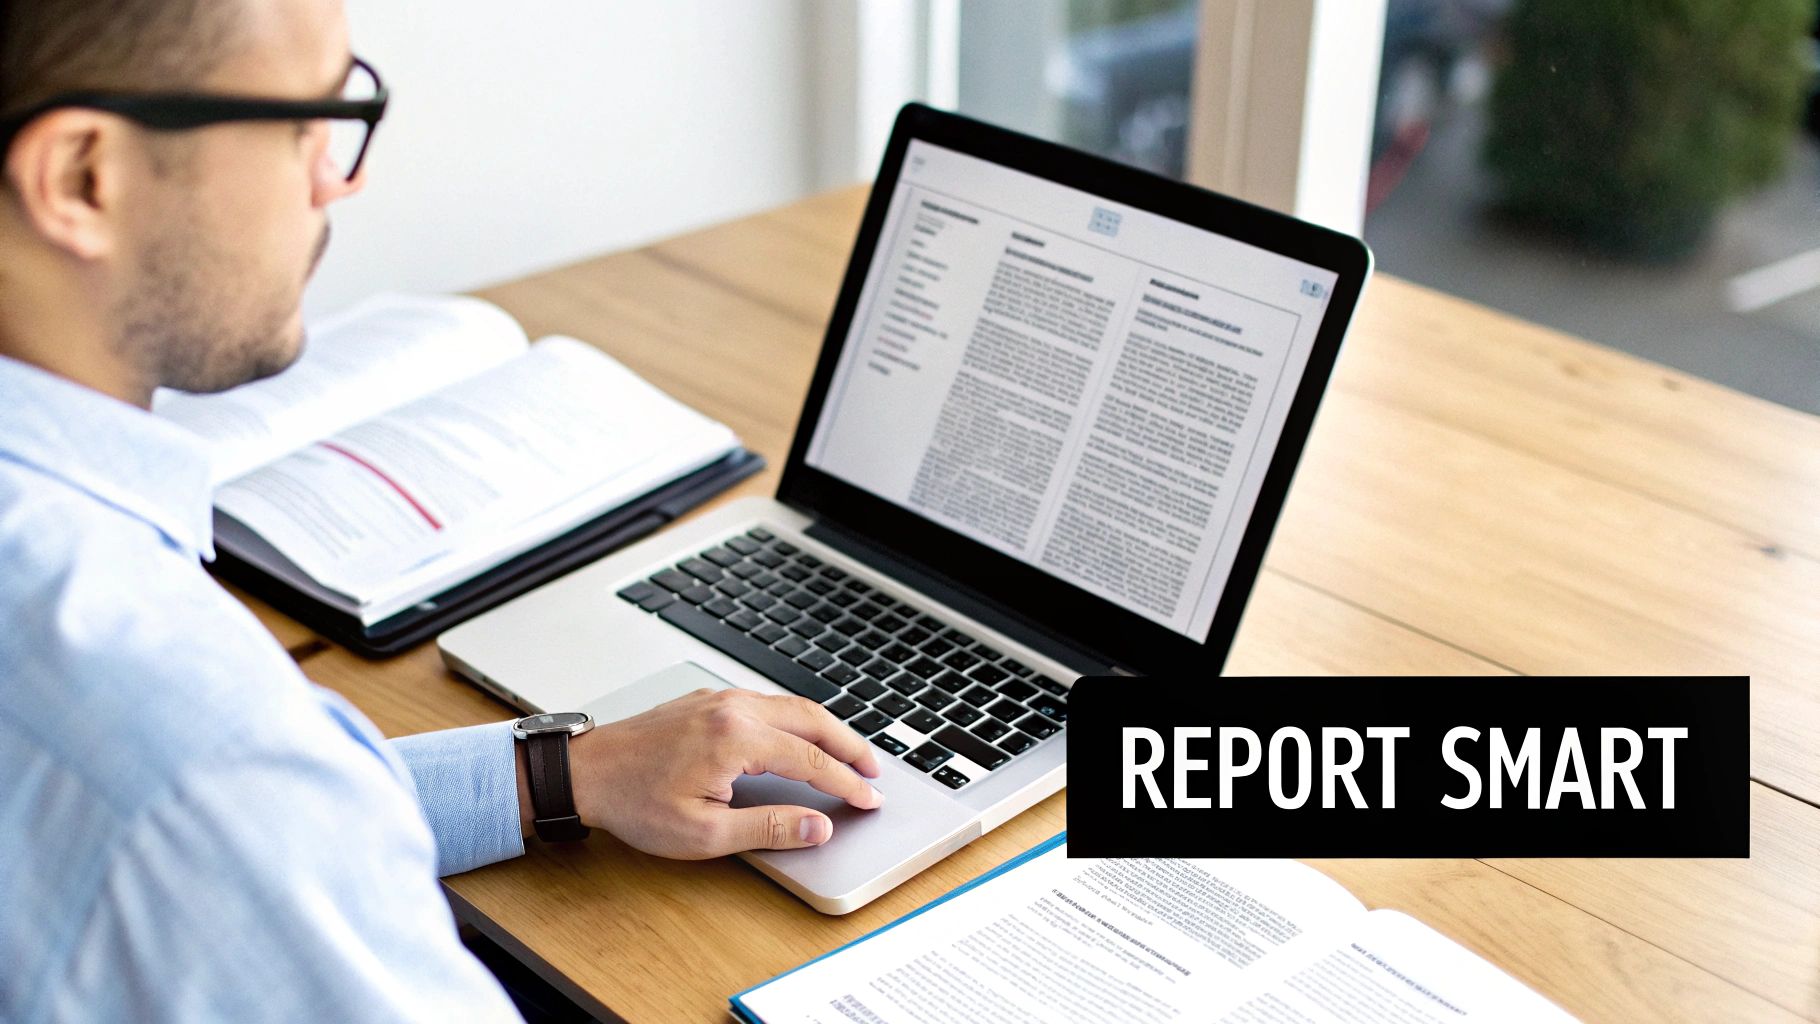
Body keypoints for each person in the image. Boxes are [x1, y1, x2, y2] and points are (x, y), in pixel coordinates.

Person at [0, 0, 883, 1019]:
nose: (343, 176)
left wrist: (563, 772)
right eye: (304, 123)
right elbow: (224, 816)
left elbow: (270, 825)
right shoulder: (195, 763)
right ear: (81, 178)